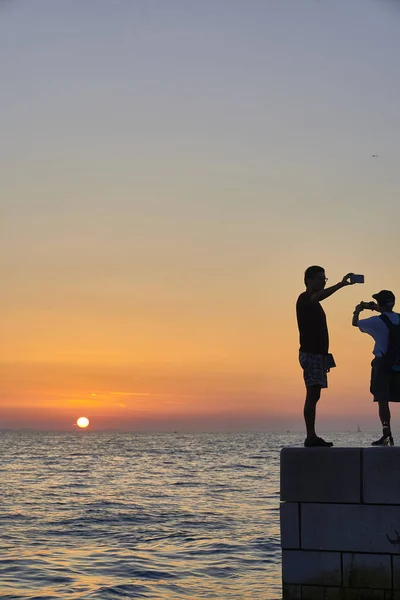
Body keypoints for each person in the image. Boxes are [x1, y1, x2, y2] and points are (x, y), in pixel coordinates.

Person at [296, 267, 358, 447]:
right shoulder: (305, 298)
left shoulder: (314, 302)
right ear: (308, 279)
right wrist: (341, 284)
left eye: (325, 279)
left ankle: (312, 436)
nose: (324, 282)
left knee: (315, 395)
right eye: (321, 279)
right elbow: (318, 296)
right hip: (311, 354)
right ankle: (311, 436)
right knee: (312, 394)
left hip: (318, 356)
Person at [352, 290, 400, 446]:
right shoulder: (399, 318)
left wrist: (358, 311)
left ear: (380, 304)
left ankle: (387, 435)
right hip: (398, 364)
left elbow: (355, 323)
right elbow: (389, 315)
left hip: (382, 365)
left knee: (383, 400)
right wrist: (375, 307)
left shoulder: (375, 322)